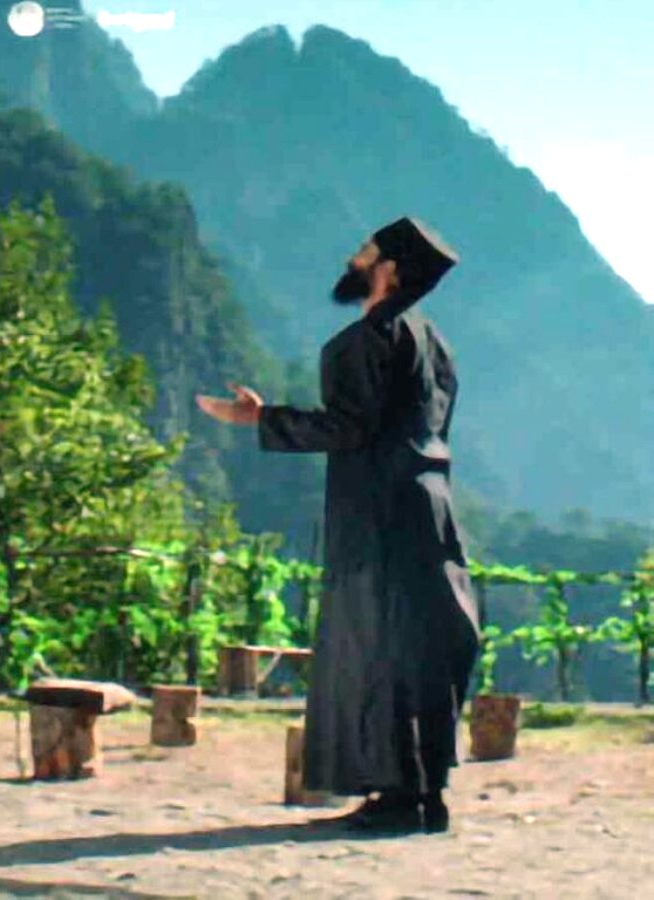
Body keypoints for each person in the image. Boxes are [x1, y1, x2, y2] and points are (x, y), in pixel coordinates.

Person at [196, 217, 481, 834]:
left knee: (376, 648)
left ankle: (399, 798)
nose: (353, 260)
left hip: (378, 511)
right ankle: (424, 794)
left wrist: (261, 419)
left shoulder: (369, 339)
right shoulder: (434, 343)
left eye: (365, 252)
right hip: (430, 508)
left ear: (389, 271)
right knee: (422, 650)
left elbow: (349, 427)